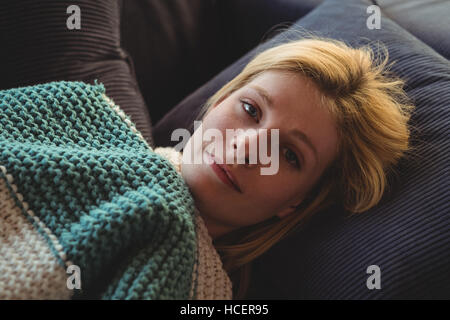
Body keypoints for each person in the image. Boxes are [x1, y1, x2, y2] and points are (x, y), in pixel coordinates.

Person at [155, 36, 415, 298]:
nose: (246, 150)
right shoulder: (119, 132)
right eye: (251, 110)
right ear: (221, 99)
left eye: (289, 154)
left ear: (297, 201)